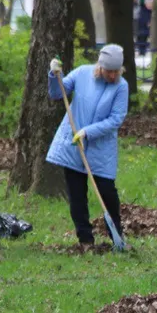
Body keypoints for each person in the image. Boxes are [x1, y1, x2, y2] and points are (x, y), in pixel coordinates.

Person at [46, 44, 129, 246]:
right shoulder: (82, 73)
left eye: (116, 72)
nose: (112, 75)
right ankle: (85, 240)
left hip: (101, 150)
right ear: (100, 67)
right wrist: (54, 74)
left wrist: (87, 132)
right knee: (77, 197)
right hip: (74, 148)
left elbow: (116, 119)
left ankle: (117, 236)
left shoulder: (121, 86)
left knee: (108, 193)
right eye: (109, 71)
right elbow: (58, 93)